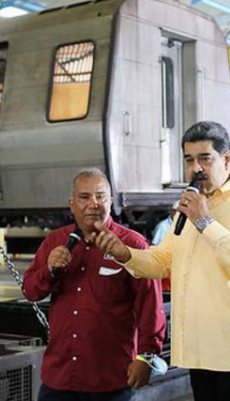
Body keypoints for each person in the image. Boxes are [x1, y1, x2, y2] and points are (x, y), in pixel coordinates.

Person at [90, 121, 230, 401]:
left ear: (227, 159)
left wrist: (206, 223)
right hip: (201, 351)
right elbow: (163, 260)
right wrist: (125, 254)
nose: (196, 168)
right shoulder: (190, 205)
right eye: (189, 160)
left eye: (205, 158)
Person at [23, 169, 166, 401]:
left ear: (110, 201)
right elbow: (30, 291)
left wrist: (146, 357)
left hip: (110, 380)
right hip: (59, 378)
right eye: (84, 197)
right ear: (72, 205)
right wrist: (48, 270)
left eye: (100, 196)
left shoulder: (132, 245)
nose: (93, 204)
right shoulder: (55, 242)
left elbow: (150, 308)